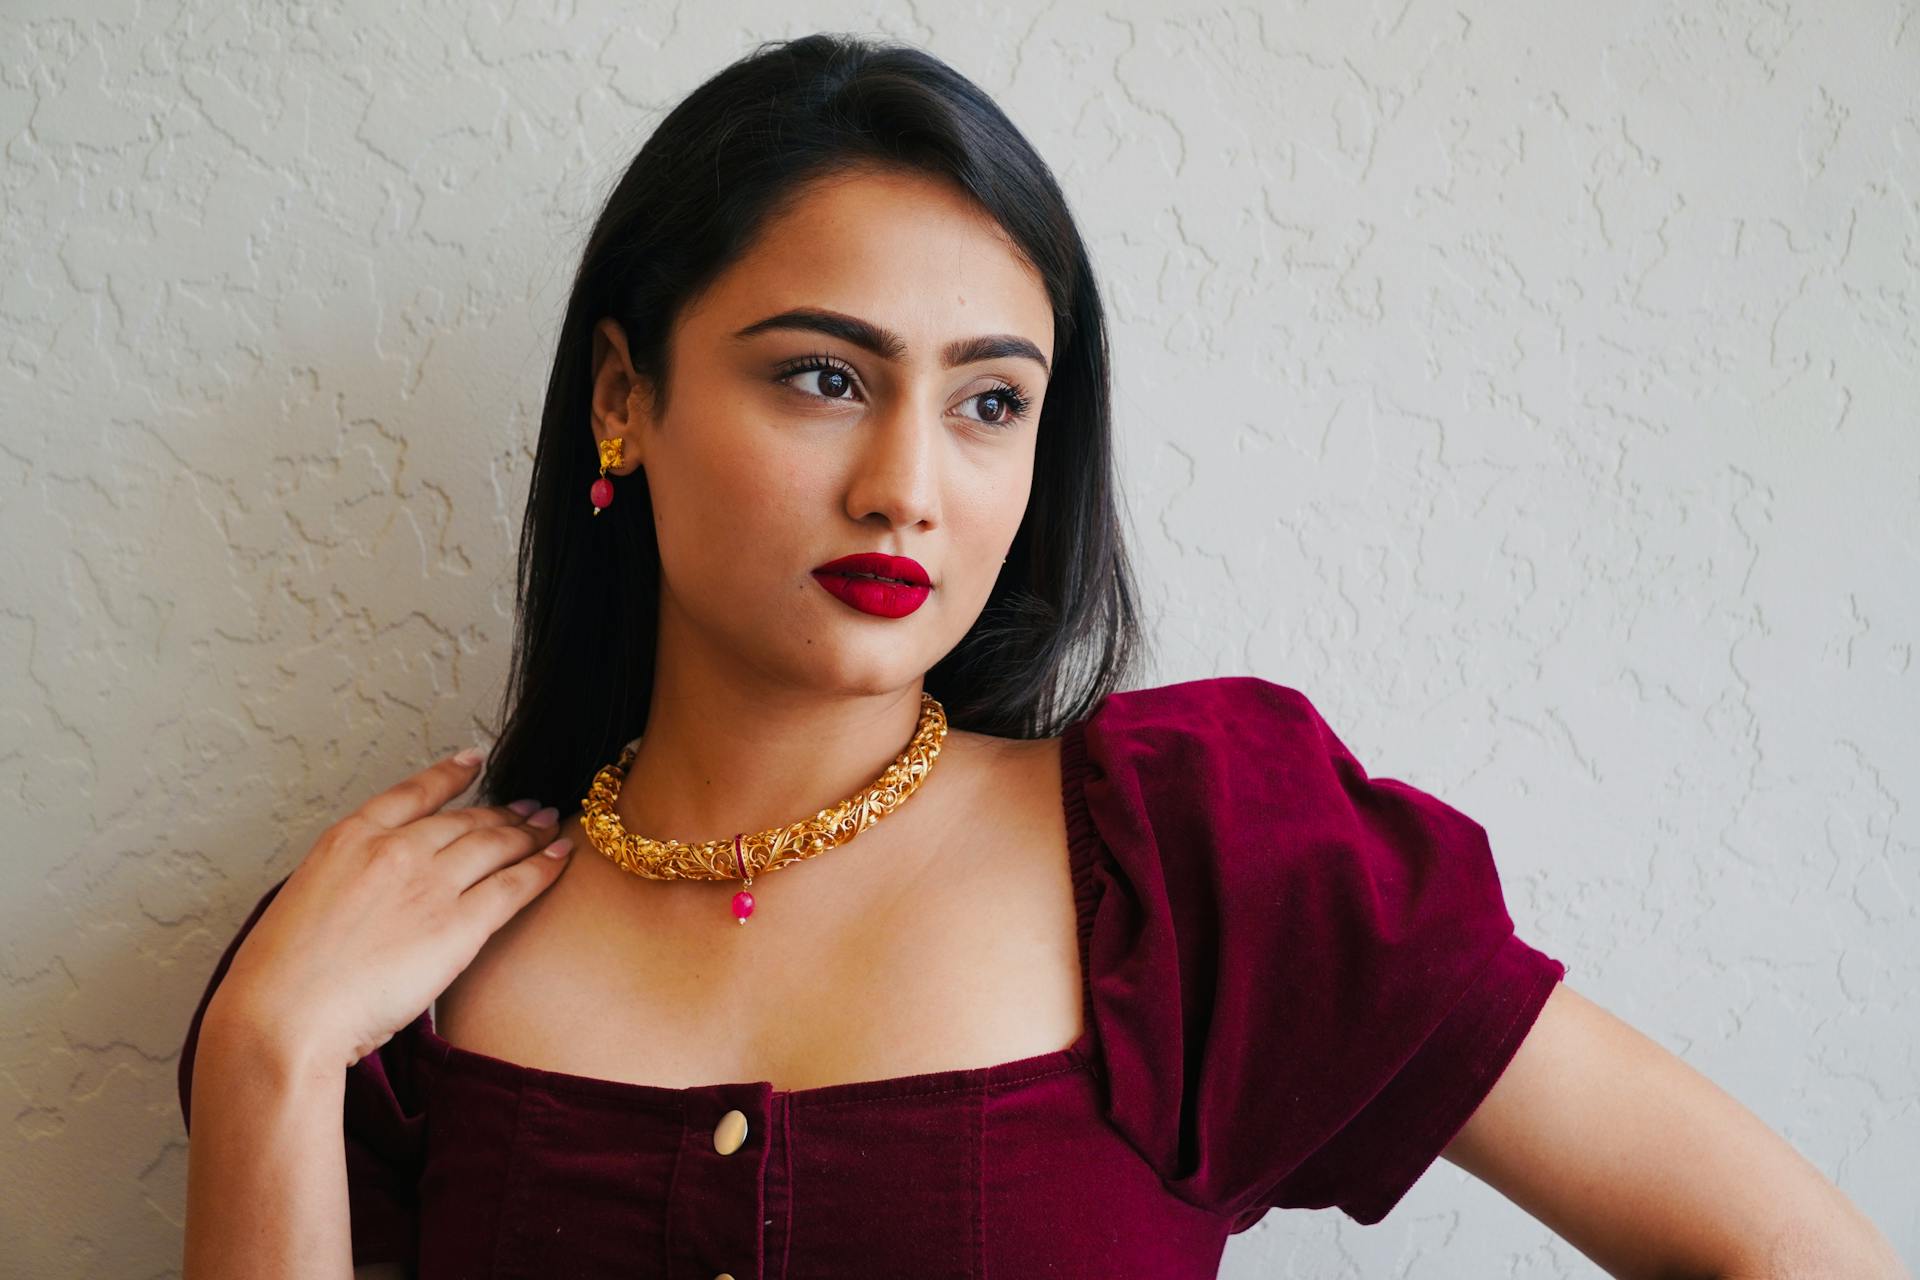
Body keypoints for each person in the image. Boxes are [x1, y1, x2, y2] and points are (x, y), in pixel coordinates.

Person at [176, 31, 1906, 1280]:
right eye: (824, 376)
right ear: (626, 396)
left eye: (990, 400)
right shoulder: (391, 956)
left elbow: (1782, 1250)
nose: (905, 487)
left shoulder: (1195, 864)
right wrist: (264, 1062)